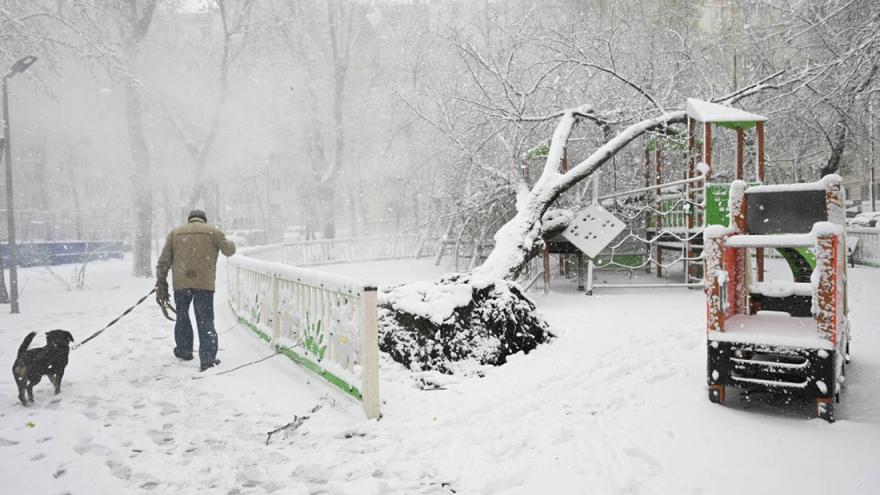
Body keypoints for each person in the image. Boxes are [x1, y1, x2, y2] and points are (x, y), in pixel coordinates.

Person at [156, 209, 236, 371]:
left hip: (181, 283)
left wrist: (161, 282)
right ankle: (207, 358)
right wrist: (230, 241)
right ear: (203, 220)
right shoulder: (213, 232)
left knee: (182, 316)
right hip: (204, 283)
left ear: (190, 219)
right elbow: (229, 251)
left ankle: (184, 351)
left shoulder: (175, 233)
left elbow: (163, 261)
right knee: (205, 318)